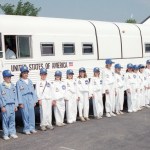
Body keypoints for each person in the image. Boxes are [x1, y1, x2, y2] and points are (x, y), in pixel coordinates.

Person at [16, 66, 37, 135]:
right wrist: (20, 103)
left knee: (31, 114)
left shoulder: (30, 81)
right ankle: (26, 129)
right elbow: (18, 93)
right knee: (25, 114)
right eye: (24, 73)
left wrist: (34, 100)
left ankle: (32, 128)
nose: (26, 74)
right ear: (21, 73)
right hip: (23, 98)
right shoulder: (19, 82)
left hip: (30, 98)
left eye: (26, 73)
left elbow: (33, 91)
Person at [0, 70, 18, 140]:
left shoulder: (13, 85)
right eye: (7, 77)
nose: (9, 78)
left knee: (12, 119)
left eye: (10, 77)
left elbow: (15, 96)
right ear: (4, 78)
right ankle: (5, 134)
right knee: (5, 120)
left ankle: (12, 133)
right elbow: (0, 97)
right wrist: (2, 106)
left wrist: (16, 105)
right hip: (6, 105)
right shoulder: (1, 86)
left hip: (12, 105)